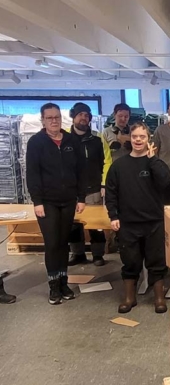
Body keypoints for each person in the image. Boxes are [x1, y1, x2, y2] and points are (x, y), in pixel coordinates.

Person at [105, 122, 170, 314]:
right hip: (128, 223)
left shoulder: (156, 163)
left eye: (142, 137)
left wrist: (152, 159)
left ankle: (158, 298)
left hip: (154, 221)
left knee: (156, 261)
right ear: (130, 138)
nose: (138, 140)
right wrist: (113, 215)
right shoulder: (119, 166)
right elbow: (111, 193)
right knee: (130, 261)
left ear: (148, 139)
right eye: (134, 136)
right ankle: (129, 297)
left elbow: (165, 181)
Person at [26, 103, 86, 305]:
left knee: (63, 243)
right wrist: (37, 201)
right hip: (47, 202)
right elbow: (32, 173)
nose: (54, 121)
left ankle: (63, 282)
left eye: (57, 117)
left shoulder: (71, 140)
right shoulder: (36, 142)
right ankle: (53, 286)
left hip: (68, 200)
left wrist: (81, 197)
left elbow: (81, 170)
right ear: (43, 120)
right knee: (52, 243)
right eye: (50, 117)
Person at [67, 103, 107, 266]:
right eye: (80, 115)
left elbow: (106, 161)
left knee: (96, 224)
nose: (83, 118)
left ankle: (98, 255)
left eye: (86, 115)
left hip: (93, 188)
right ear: (73, 117)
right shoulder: (65, 139)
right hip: (71, 190)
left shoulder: (97, 139)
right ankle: (78, 254)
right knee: (73, 224)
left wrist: (103, 184)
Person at [101, 103, 132, 253]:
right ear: (114, 115)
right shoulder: (106, 132)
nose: (123, 119)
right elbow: (103, 155)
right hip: (112, 176)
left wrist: (127, 141)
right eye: (120, 116)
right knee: (112, 208)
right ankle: (111, 241)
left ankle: (126, 240)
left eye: (126, 116)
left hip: (129, 175)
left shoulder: (133, 132)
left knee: (128, 207)